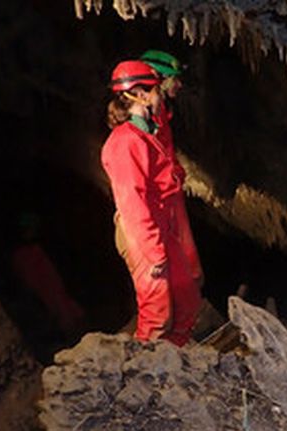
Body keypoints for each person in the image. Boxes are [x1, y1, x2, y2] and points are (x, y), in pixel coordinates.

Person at [101, 60, 202, 345]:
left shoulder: (145, 134)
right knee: (157, 313)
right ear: (140, 94)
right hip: (141, 233)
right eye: (156, 89)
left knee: (187, 299)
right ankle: (144, 372)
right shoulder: (124, 142)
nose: (160, 94)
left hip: (161, 228)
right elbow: (132, 202)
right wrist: (153, 252)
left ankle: (175, 358)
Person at [139, 49, 204, 287]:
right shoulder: (145, 120)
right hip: (161, 200)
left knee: (189, 265)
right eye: (174, 79)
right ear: (159, 78)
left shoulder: (161, 112)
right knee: (178, 270)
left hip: (170, 193)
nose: (179, 84)